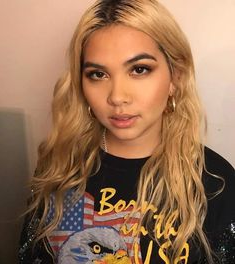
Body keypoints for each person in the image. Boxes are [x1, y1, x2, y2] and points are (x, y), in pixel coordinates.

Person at [19, 0, 235, 263]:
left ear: (175, 77)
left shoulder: (215, 182)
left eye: (139, 69)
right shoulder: (59, 167)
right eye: (98, 74)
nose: (117, 97)